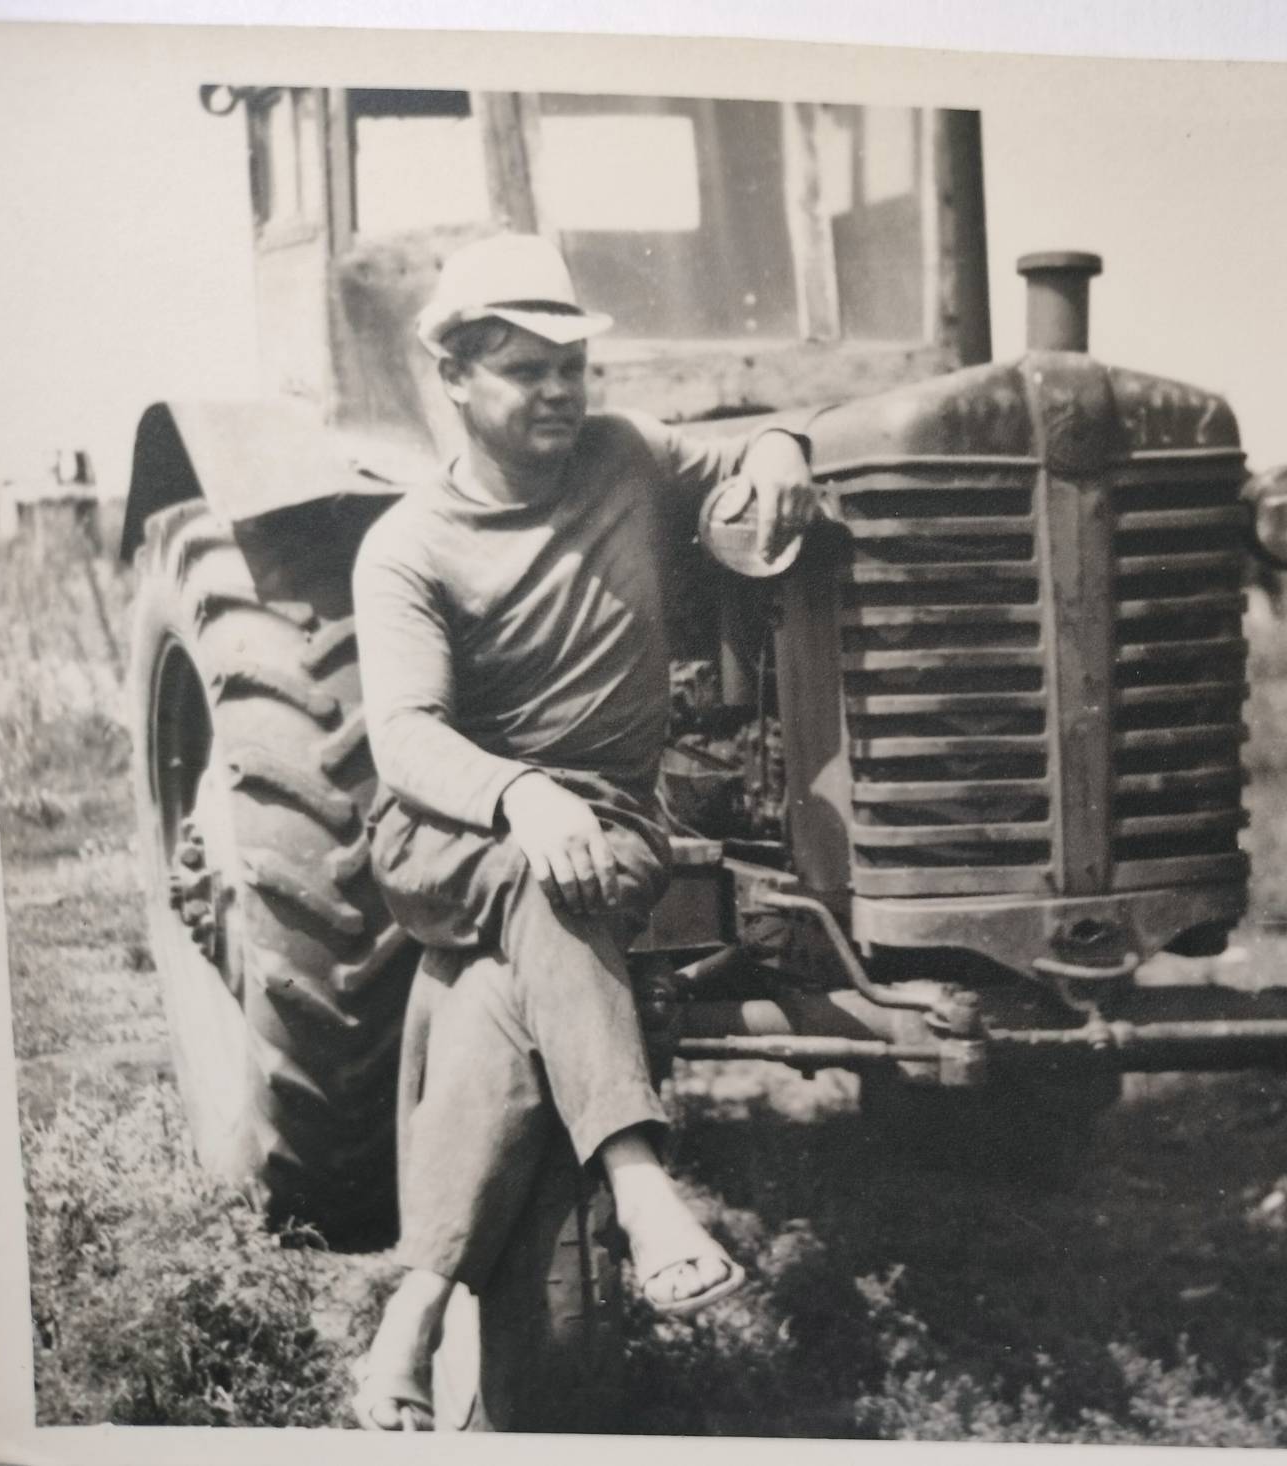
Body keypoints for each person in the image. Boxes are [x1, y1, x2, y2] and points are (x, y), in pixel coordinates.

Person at [347, 232, 816, 1430]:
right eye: (525, 369)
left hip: (608, 822)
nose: (559, 390)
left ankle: (415, 1303)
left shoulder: (626, 455)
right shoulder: (407, 545)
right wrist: (519, 792)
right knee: (540, 880)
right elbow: (403, 737)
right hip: (449, 828)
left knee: (504, 995)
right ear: (454, 377)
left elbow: (751, 443)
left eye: (572, 366)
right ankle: (641, 1180)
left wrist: (781, 446)